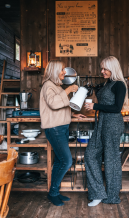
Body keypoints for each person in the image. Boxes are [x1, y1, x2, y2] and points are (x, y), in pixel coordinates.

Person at [40, 60, 86, 206]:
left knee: (60, 161)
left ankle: (55, 192)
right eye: (62, 69)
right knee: (66, 161)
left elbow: (60, 108)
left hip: (62, 127)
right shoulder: (48, 85)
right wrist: (68, 90)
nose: (64, 72)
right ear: (54, 71)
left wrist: (73, 116)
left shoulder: (57, 86)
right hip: (55, 129)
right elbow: (53, 104)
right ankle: (53, 193)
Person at [84, 56, 128, 207]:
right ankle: (98, 193)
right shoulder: (107, 83)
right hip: (101, 123)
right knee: (90, 154)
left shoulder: (119, 85)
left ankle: (112, 196)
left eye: (105, 69)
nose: (102, 71)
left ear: (113, 68)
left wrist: (95, 107)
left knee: (111, 160)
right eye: (101, 68)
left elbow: (117, 108)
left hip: (112, 124)